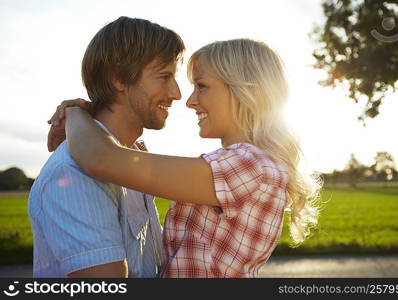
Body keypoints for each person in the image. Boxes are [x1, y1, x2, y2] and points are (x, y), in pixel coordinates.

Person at [48, 39, 321, 278]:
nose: (189, 100)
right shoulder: (242, 164)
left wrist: (75, 113)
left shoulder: (248, 165)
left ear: (244, 92)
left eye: (202, 86)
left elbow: (101, 159)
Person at [28, 16, 185, 277]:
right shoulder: (73, 172)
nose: (176, 93)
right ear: (119, 79)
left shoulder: (131, 159)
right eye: (164, 76)